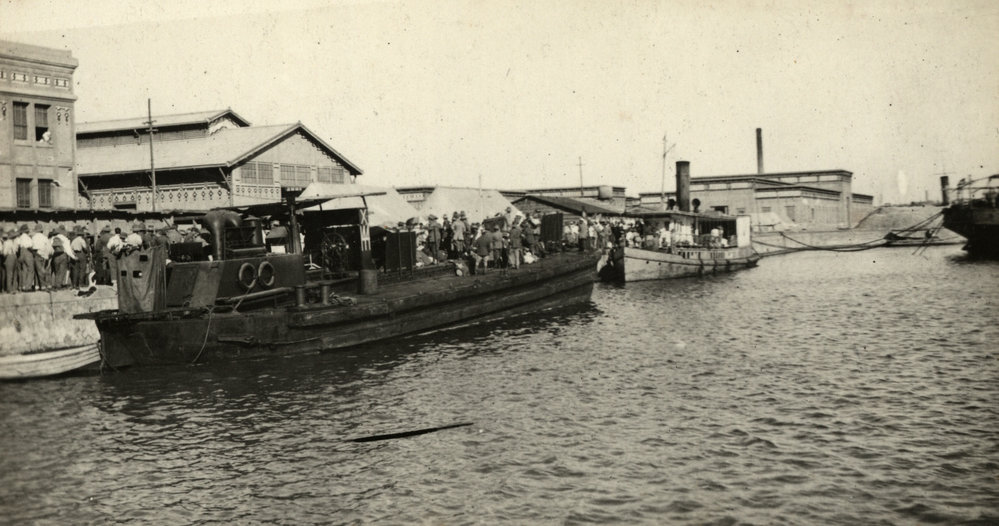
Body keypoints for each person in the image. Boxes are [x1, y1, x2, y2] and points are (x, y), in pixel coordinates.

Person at [31, 224, 52, 291]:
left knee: (37, 271)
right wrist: (47, 255)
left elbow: (32, 246)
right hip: (44, 255)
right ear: (41, 231)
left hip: (36, 254)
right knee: (43, 270)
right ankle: (46, 285)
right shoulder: (45, 237)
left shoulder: (34, 237)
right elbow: (49, 248)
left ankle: (40, 285)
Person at [16, 224, 34, 292]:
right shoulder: (27, 237)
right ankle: (28, 286)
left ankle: (23, 286)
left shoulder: (20, 238)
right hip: (28, 252)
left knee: (24, 270)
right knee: (31, 270)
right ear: (27, 231)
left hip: (21, 252)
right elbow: (30, 246)